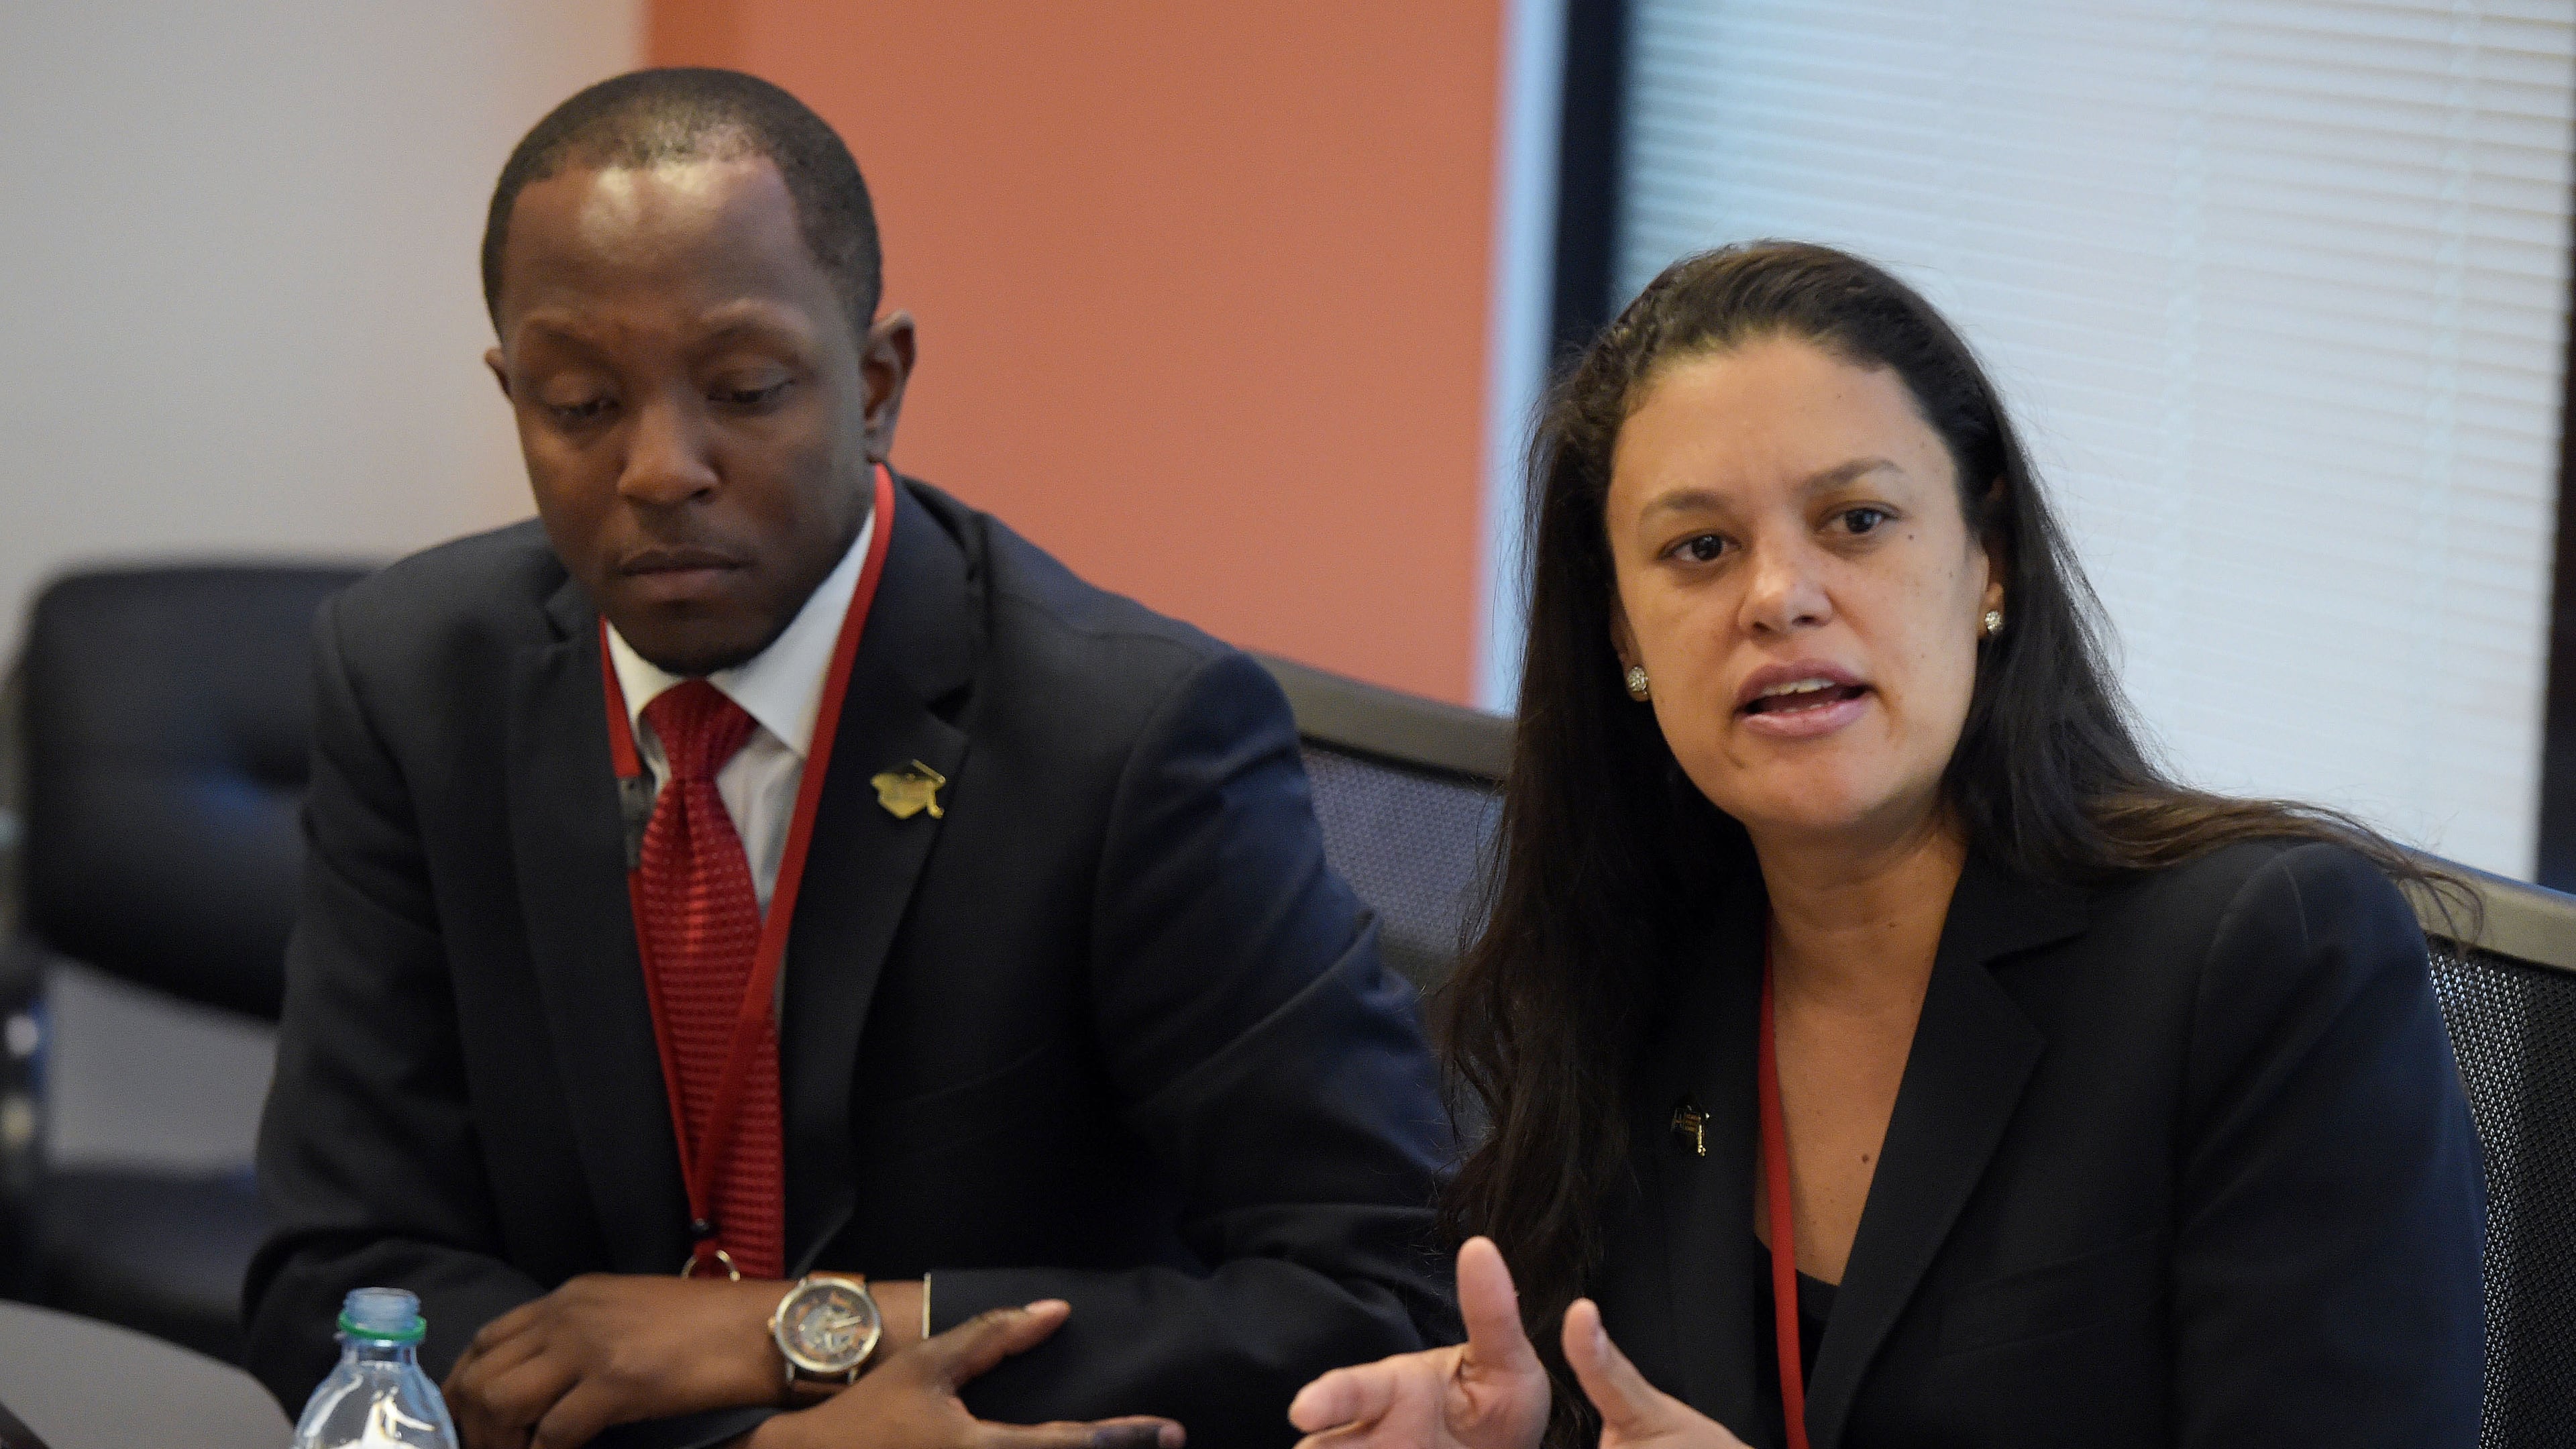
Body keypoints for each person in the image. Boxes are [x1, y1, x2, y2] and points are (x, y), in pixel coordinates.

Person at [244, 68, 1451, 1449]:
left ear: (876, 387)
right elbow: (339, 1277)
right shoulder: (413, 680)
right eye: (579, 404)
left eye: (747, 389)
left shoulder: (1130, 739)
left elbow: (1381, 1301)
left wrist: (805, 1333)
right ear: (510, 390)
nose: (660, 467)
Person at [1287, 242, 2484, 1449]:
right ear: (1622, 632)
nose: (1779, 595)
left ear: (1991, 563)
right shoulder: (1630, 982)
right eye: (1699, 549)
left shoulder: (2270, 964)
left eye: (1857, 521)